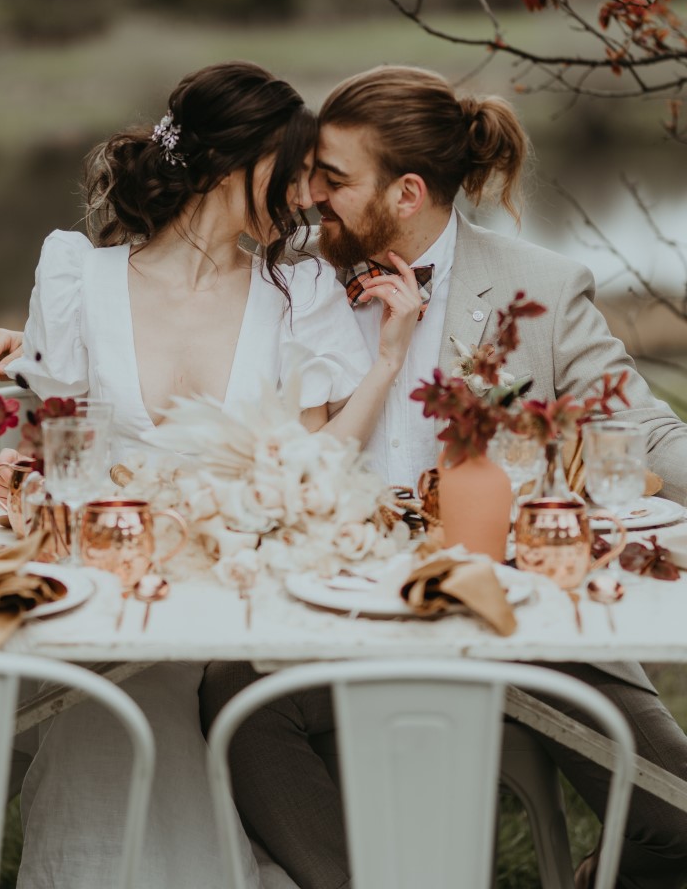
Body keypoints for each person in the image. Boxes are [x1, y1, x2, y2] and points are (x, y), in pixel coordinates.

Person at [199, 65, 687, 889]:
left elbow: (641, 429)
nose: (307, 194)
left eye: (332, 177)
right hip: (337, 619)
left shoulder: (542, 287)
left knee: (678, 818)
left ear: (407, 193)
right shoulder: (286, 282)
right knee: (235, 708)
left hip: (521, 626)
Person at [1, 60, 422, 889]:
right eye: (296, 172)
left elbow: (316, 466)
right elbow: (49, 449)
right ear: (240, 164)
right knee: (114, 702)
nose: (307, 197)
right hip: (106, 589)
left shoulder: (299, 292)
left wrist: (389, 359)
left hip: (237, 590)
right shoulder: (77, 279)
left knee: (157, 696)